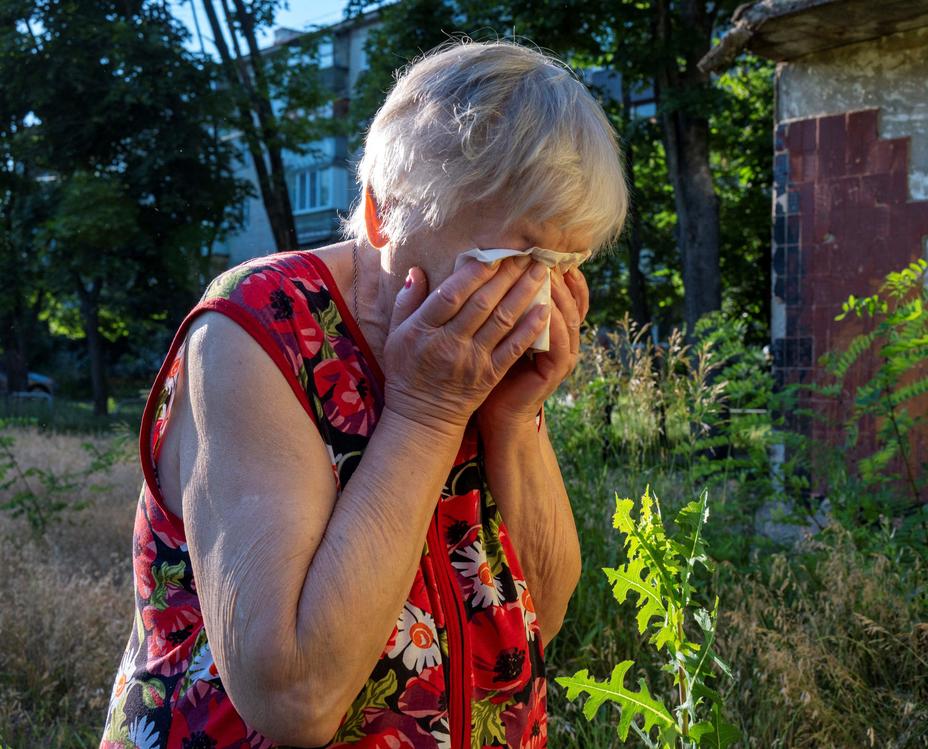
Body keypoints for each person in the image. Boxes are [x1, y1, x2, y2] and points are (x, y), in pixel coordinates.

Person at [100, 39, 627, 749]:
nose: (537, 303)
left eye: (564, 264)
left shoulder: (478, 347)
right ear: (386, 214)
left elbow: (547, 608)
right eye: (512, 263)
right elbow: (293, 698)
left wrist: (509, 419)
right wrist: (428, 413)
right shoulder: (256, 330)